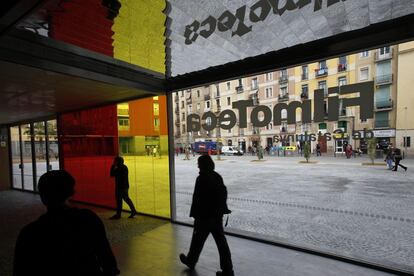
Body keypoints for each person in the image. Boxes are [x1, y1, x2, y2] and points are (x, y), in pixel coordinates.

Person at [13, 170, 120, 276]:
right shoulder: (88, 219)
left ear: (42, 196)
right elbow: (106, 258)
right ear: (72, 192)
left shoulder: (29, 233)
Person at [179, 155, 234, 276]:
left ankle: (191, 261)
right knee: (222, 244)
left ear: (203, 165)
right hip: (216, 217)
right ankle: (228, 270)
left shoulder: (201, 179)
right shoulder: (217, 176)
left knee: (197, 241)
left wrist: (194, 214)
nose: (197, 165)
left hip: (204, 217)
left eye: (199, 163)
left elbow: (197, 199)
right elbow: (222, 194)